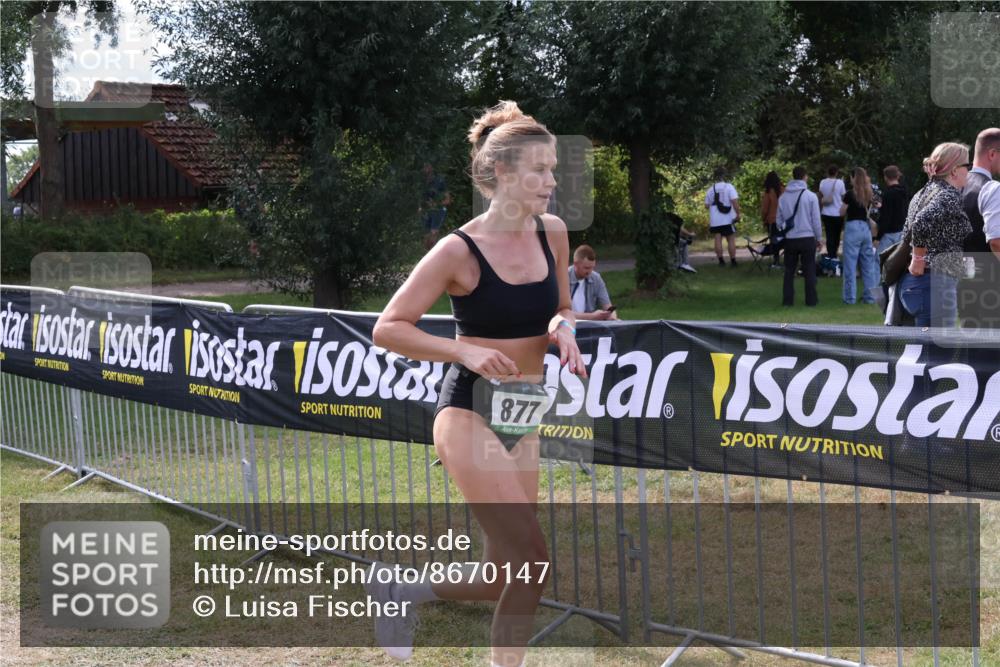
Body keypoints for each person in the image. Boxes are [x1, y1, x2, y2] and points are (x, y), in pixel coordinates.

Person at [370, 101, 586, 667]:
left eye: (553, 169)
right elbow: (387, 328)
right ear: (502, 174)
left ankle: (403, 589)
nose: (550, 181)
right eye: (539, 170)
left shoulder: (554, 233)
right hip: (468, 411)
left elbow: (561, 305)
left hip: (523, 409)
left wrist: (563, 330)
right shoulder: (457, 250)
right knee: (534, 560)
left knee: (504, 575)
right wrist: (462, 348)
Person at [898, 142, 973, 327]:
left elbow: (907, 232)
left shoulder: (922, 193)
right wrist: (918, 258)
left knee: (924, 350)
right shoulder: (948, 195)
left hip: (917, 284)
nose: (969, 172)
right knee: (939, 352)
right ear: (955, 170)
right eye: (967, 166)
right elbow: (920, 223)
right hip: (934, 283)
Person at [777, 165, 823, 306]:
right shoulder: (810, 196)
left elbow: (778, 220)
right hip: (807, 237)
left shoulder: (783, 197)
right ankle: (811, 300)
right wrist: (819, 238)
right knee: (809, 269)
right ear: (805, 177)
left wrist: (784, 230)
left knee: (789, 271)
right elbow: (816, 219)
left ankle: (787, 300)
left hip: (790, 239)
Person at [840, 167, 880, 305]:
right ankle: (870, 297)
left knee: (850, 264)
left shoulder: (850, 194)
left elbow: (841, 212)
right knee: (867, 265)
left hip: (852, 227)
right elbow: (876, 206)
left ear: (853, 178)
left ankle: (849, 298)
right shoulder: (869, 193)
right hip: (865, 228)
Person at [568, 244, 619, 320]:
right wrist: (592, 316)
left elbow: (607, 305)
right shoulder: (563, 277)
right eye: (586, 268)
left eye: (592, 267)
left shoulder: (596, 278)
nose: (590, 271)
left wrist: (613, 318)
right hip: (566, 325)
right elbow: (560, 314)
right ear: (575, 264)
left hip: (589, 325)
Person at [704, 167, 741, 266]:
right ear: (724, 176)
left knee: (717, 238)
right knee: (731, 239)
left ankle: (721, 261)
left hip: (715, 219)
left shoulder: (711, 189)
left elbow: (706, 206)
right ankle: (733, 261)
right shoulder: (729, 187)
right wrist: (738, 214)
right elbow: (734, 202)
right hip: (728, 218)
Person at [877, 165, 908, 253]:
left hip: (889, 233)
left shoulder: (887, 194)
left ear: (885, 177)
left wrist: (878, 237)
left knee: (879, 259)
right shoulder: (904, 192)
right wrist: (882, 207)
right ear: (897, 176)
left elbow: (886, 216)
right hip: (902, 231)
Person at [421, 163, 452, 249]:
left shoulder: (439, 181)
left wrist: (436, 204)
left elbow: (447, 200)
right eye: (424, 167)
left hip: (438, 210)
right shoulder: (422, 182)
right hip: (426, 211)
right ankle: (427, 256)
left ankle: (436, 252)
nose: (425, 169)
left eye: (427, 166)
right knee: (426, 234)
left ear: (431, 167)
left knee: (433, 233)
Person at [818, 165, 846, 259]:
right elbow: (843, 196)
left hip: (826, 212)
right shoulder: (840, 183)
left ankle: (830, 254)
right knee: (837, 234)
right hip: (838, 213)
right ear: (836, 173)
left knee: (829, 234)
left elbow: (821, 194)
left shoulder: (822, 182)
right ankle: (834, 254)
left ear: (827, 172)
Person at [760, 171, 784, 268]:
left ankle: (776, 261)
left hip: (772, 220)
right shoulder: (784, 190)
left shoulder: (768, 192)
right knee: (783, 240)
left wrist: (763, 219)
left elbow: (765, 209)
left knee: (774, 241)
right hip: (784, 220)